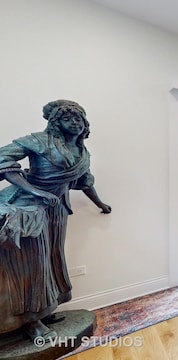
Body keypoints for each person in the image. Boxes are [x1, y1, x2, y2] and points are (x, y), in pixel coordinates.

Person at [0, 100, 111, 340]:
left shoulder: (83, 153)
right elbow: (4, 161)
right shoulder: (38, 141)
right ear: (55, 123)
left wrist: (100, 204)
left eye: (78, 118)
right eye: (67, 118)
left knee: (52, 259)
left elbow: (85, 182)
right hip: (27, 209)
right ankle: (32, 321)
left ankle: (46, 308)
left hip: (56, 209)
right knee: (33, 264)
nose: (74, 123)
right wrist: (36, 192)